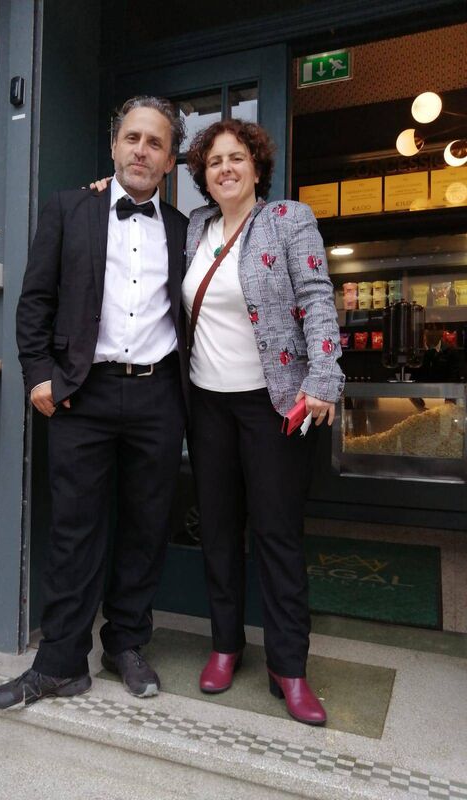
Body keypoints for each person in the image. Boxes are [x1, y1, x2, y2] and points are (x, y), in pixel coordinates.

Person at [0, 96, 189, 710]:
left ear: (170, 159)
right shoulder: (69, 208)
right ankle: (59, 663)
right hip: (82, 393)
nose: (141, 151)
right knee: (75, 531)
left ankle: (125, 643)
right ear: (114, 146)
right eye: (132, 138)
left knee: (146, 526)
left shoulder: (187, 229)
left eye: (155, 143)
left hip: (157, 393)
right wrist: (38, 374)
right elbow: (35, 301)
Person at [182, 119, 344, 726]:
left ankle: (290, 666)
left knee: (277, 535)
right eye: (214, 161)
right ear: (203, 174)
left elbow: (317, 298)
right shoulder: (194, 228)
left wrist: (324, 378)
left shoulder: (287, 220)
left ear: (256, 166)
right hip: (206, 404)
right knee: (219, 531)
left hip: (271, 403)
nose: (225, 168)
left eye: (236, 158)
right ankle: (226, 645)